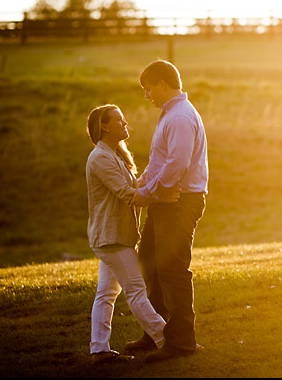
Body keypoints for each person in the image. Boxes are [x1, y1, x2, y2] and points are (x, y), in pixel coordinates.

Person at [125, 60, 208, 363]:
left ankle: (182, 342)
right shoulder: (171, 115)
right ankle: (158, 332)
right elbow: (161, 161)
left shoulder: (180, 117)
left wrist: (147, 194)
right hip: (165, 200)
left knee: (172, 269)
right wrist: (142, 181)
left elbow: (177, 164)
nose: (147, 95)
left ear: (162, 83)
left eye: (148, 88)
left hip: (179, 201)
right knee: (150, 260)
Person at [85, 104, 179, 365]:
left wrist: (154, 180)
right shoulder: (101, 158)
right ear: (104, 126)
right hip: (112, 238)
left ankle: (99, 349)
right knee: (136, 291)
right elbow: (127, 194)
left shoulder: (114, 155)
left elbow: (133, 186)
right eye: (118, 119)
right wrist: (161, 195)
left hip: (114, 237)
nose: (125, 122)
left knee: (106, 293)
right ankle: (166, 339)